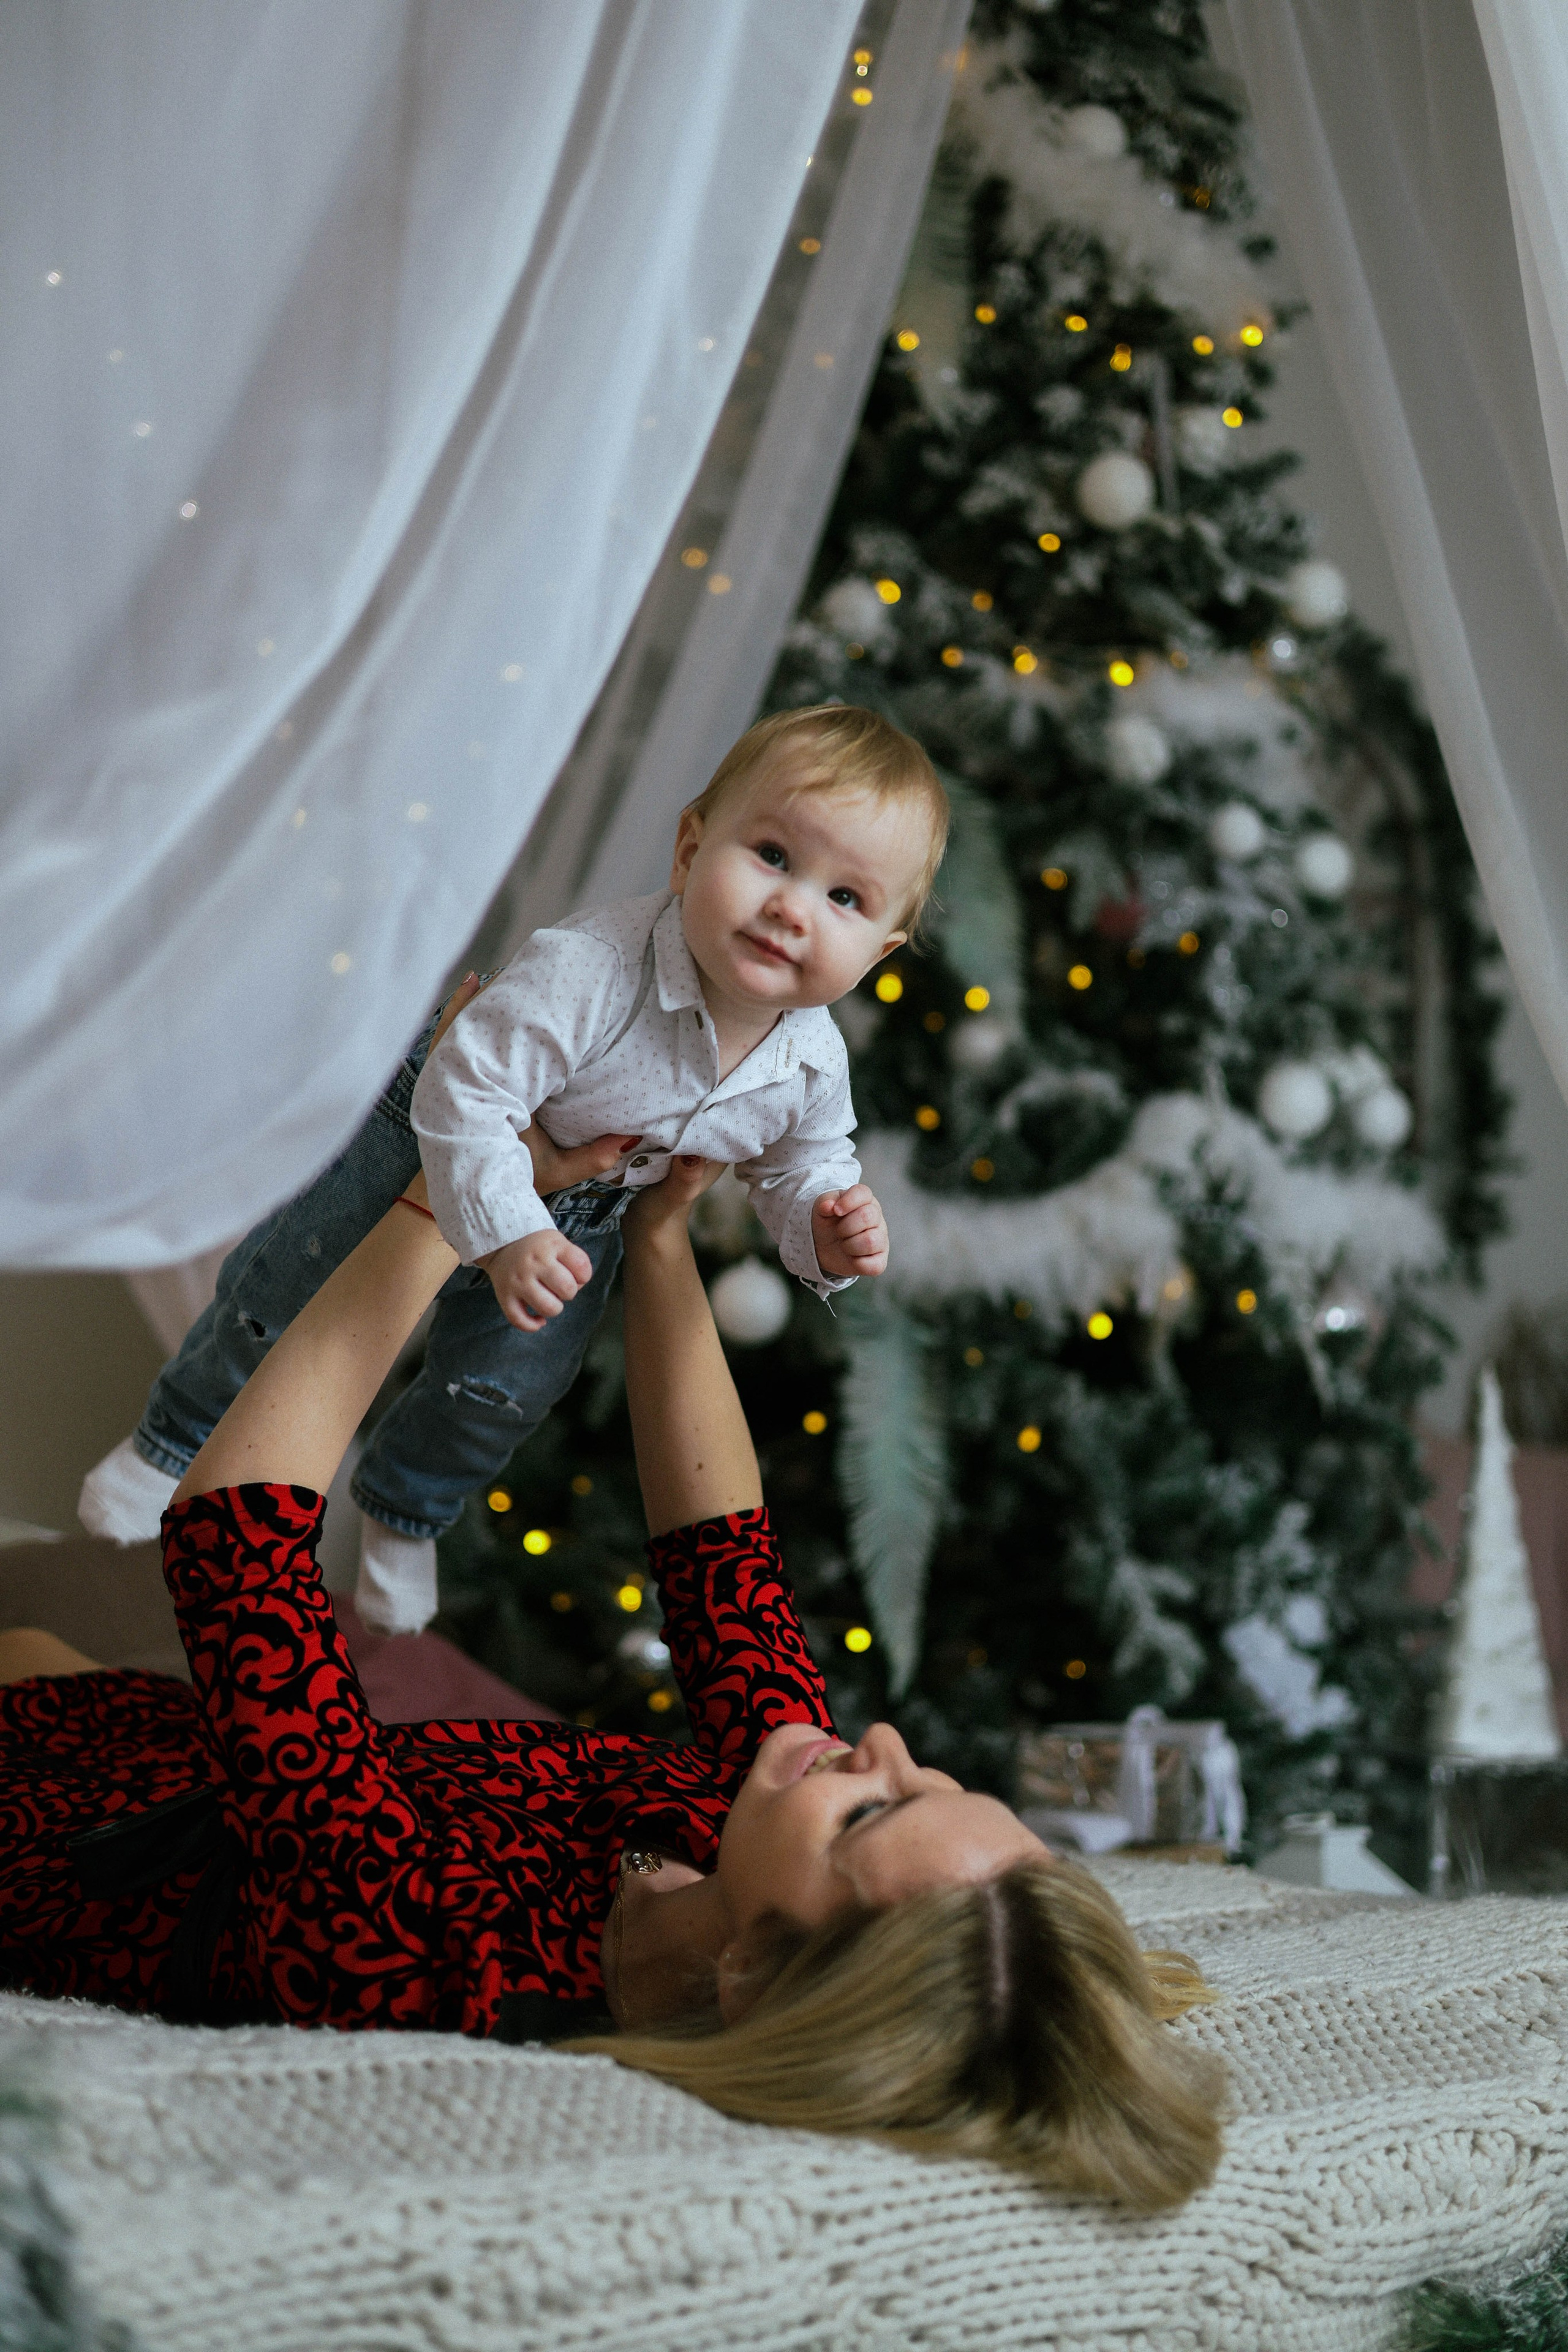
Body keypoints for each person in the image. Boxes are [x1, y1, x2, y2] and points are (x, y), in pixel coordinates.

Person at [0, 1110, 1224, 2211]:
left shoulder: (421, 1959)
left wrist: (449, 1191)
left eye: (871, 1812)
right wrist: (662, 1233)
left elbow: (237, 1538)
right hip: (156, 1739)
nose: (885, 1747)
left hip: (55, 1830)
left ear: (752, 1971)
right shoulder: (737, 1837)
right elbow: (722, 1562)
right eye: (935, 1783)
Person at [80, 703, 949, 1637]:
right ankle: (171, 1438)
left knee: (504, 1389)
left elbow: (805, 1164)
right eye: (773, 856)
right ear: (690, 849)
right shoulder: (590, 970)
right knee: (290, 1289)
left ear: (880, 953)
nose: (792, 908)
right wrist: (506, 1229)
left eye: (845, 898)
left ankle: (407, 1508)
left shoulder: (811, 1061)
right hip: (439, 1127)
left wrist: (822, 1225)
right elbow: (468, 1091)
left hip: (591, 1205)